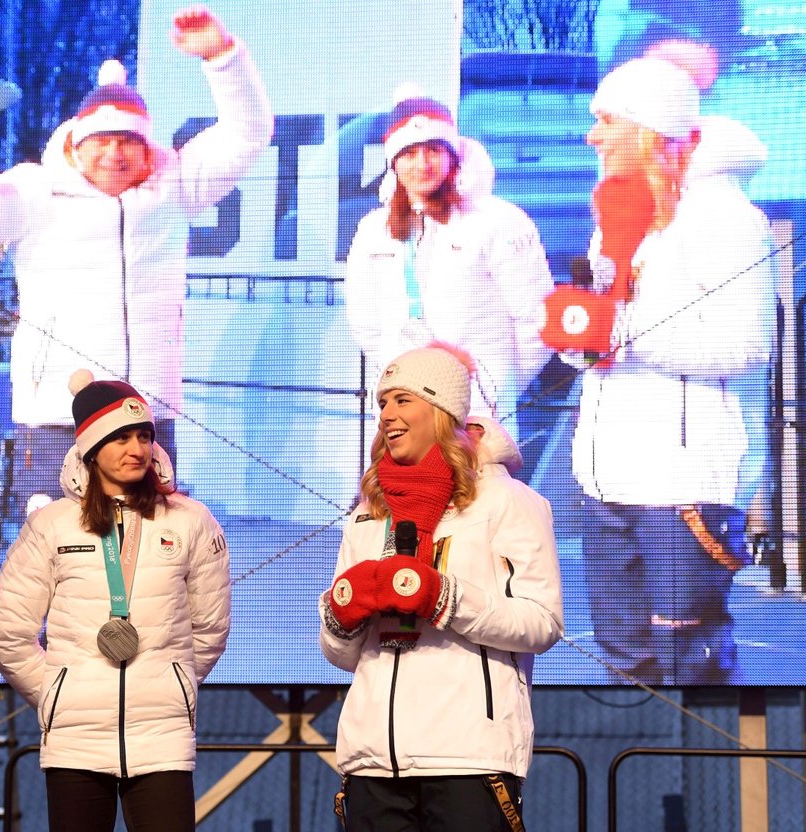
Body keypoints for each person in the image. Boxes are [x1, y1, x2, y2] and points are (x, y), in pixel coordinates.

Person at [0, 5, 273, 513]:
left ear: (147, 146)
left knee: (149, 557)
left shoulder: (175, 187)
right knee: (59, 559)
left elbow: (248, 132)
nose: (115, 154)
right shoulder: (37, 192)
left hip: (145, 411)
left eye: (128, 142)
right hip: (57, 414)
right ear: (75, 144)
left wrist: (222, 57)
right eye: (102, 142)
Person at [552, 50, 775, 683]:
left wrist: (622, 333)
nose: (593, 136)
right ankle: (641, 776)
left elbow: (742, 344)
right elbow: (607, 327)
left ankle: (705, 780)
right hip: (605, 478)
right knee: (627, 659)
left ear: (649, 128)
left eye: (607, 122)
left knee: (689, 661)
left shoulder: (724, 217)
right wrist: (578, 336)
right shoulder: (620, 213)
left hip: (682, 486)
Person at [319, 344, 562, 831]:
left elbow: (543, 622)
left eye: (402, 400)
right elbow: (342, 655)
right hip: (371, 759)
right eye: (383, 403)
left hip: (467, 758)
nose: (386, 414)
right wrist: (342, 617)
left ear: (442, 410)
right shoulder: (369, 513)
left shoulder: (507, 501)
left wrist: (444, 598)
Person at [0, 370, 230, 832]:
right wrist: (59, 691)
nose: (136, 449)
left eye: (143, 436)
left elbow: (210, 628)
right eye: (120, 437)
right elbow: (10, 633)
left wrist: (170, 681)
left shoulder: (192, 522)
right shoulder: (51, 526)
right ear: (91, 448)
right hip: (75, 737)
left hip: (162, 737)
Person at [343, 87, 554, 435]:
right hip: (406, 403)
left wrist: (494, 385)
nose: (422, 164)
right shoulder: (372, 229)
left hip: (479, 409)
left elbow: (536, 317)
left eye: (433, 151)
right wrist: (400, 374)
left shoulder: (499, 220)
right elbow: (366, 320)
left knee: (479, 490)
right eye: (409, 153)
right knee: (408, 490)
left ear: (454, 156)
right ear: (393, 161)